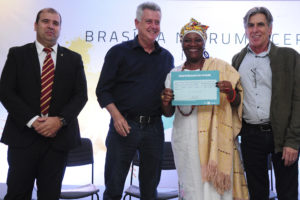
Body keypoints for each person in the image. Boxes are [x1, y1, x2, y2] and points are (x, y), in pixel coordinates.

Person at [0, 8, 88, 200]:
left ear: (60, 28)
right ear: (35, 25)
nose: (51, 26)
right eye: (46, 21)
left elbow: (81, 96)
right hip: (23, 138)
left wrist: (60, 120)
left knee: (50, 195)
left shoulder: (73, 59)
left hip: (58, 140)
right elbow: (6, 92)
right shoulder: (17, 55)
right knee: (17, 194)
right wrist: (32, 120)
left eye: (55, 23)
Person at [161, 18, 249, 200]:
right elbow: (168, 113)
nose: (192, 44)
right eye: (187, 40)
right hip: (185, 142)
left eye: (197, 39)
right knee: (192, 189)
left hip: (215, 142)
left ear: (204, 42)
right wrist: (165, 101)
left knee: (216, 191)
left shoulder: (220, 69)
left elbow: (238, 101)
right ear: (181, 43)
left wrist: (231, 93)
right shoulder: (174, 74)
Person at [96, 2, 174, 199]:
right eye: (149, 21)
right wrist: (117, 117)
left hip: (154, 129)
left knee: (149, 190)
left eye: (157, 22)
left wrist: (167, 99)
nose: (153, 26)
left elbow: (167, 101)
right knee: (113, 188)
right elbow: (102, 90)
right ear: (137, 23)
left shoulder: (167, 58)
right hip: (124, 126)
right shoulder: (118, 52)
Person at [232, 7, 300, 200]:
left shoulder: (289, 57)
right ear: (245, 30)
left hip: (282, 136)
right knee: (256, 193)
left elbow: (298, 100)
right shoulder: (238, 59)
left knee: (287, 193)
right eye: (250, 25)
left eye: (260, 24)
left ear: (270, 29)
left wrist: (293, 141)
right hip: (250, 135)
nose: (255, 29)